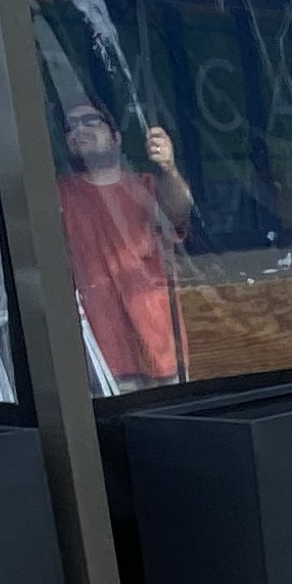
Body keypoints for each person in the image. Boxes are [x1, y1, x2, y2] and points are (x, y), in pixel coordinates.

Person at [55, 97, 191, 385]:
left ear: (116, 138)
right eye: (71, 126)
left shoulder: (146, 186)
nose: (80, 129)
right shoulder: (57, 194)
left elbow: (179, 211)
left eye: (91, 121)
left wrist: (168, 167)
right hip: (97, 357)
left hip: (159, 351)